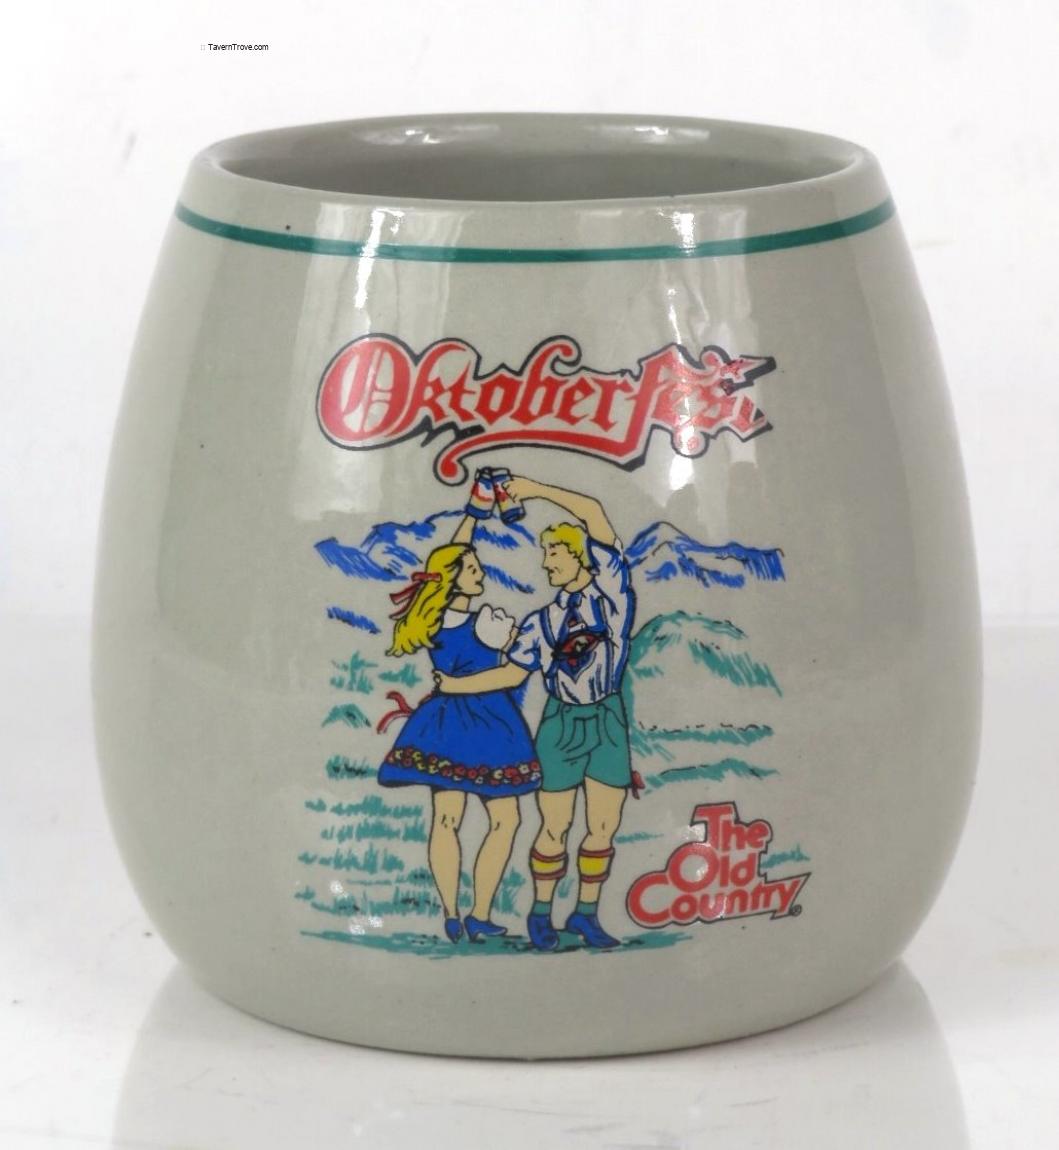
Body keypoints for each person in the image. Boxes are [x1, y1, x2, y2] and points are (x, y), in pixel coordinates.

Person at [434, 476, 636, 951]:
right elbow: (510, 673)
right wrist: (458, 686)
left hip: (606, 719)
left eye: (554, 555)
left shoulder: (613, 597)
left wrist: (533, 489)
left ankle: (586, 913)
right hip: (560, 723)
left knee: (602, 827)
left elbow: (592, 511)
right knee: (554, 826)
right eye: (546, 555)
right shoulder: (541, 621)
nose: (546, 564)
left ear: (579, 557)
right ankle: (541, 912)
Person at [377, 478, 541, 945]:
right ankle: (478, 912)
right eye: (471, 569)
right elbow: (506, 676)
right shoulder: (485, 624)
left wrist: (475, 510)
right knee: (503, 820)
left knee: (448, 819)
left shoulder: (431, 620)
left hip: (446, 724)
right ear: (454, 578)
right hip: (490, 726)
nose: (479, 570)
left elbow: (451, 553)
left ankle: (452, 913)